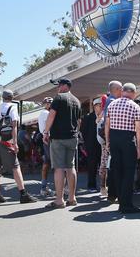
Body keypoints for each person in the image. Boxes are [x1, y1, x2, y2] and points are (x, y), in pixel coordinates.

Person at [0, 90, 37, 204]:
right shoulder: (12, 107)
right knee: (16, 167)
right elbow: (14, 126)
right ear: (12, 97)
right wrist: (15, 143)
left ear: (2, 97)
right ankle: (23, 193)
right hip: (7, 142)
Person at [43, 78, 82, 209]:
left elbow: (51, 115)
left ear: (65, 86)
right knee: (70, 167)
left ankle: (59, 200)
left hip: (59, 138)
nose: (57, 88)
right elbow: (78, 121)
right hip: (72, 137)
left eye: (59, 85)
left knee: (59, 168)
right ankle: (72, 198)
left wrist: (45, 132)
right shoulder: (77, 101)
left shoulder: (59, 98)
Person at [104, 83, 140, 213]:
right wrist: (138, 147)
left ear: (123, 91)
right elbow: (138, 128)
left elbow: (107, 125)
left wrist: (108, 141)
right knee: (129, 172)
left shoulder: (112, 104)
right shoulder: (135, 106)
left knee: (118, 171)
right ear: (132, 93)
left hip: (114, 138)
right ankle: (126, 204)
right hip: (128, 139)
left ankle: (121, 201)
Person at [82, 98, 102, 193]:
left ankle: (104, 186)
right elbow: (84, 132)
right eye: (99, 105)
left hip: (103, 145)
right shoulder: (88, 117)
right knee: (92, 166)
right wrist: (87, 144)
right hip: (92, 145)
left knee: (103, 167)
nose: (101, 107)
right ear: (94, 106)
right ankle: (91, 185)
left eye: (102, 105)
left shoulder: (105, 116)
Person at [37, 97, 55, 196]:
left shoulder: (42, 113)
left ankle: (44, 187)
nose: (49, 105)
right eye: (48, 103)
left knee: (47, 162)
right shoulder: (46, 113)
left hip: (45, 139)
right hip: (49, 138)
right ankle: (58, 187)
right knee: (55, 164)